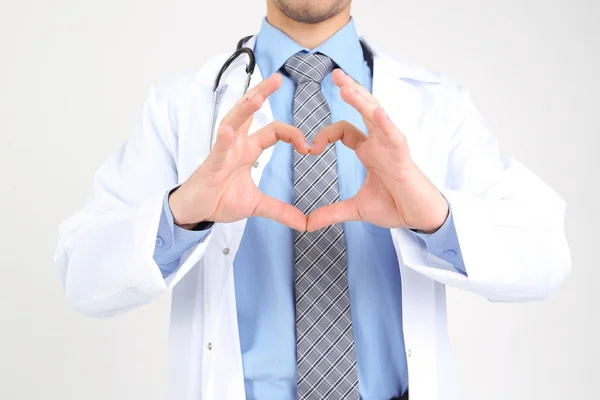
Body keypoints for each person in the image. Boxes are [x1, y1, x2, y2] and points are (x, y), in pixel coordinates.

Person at [54, 0, 571, 399]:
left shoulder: (437, 104)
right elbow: (83, 277)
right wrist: (184, 213)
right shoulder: (182, 106)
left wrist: (433, 217)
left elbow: (544, 260)